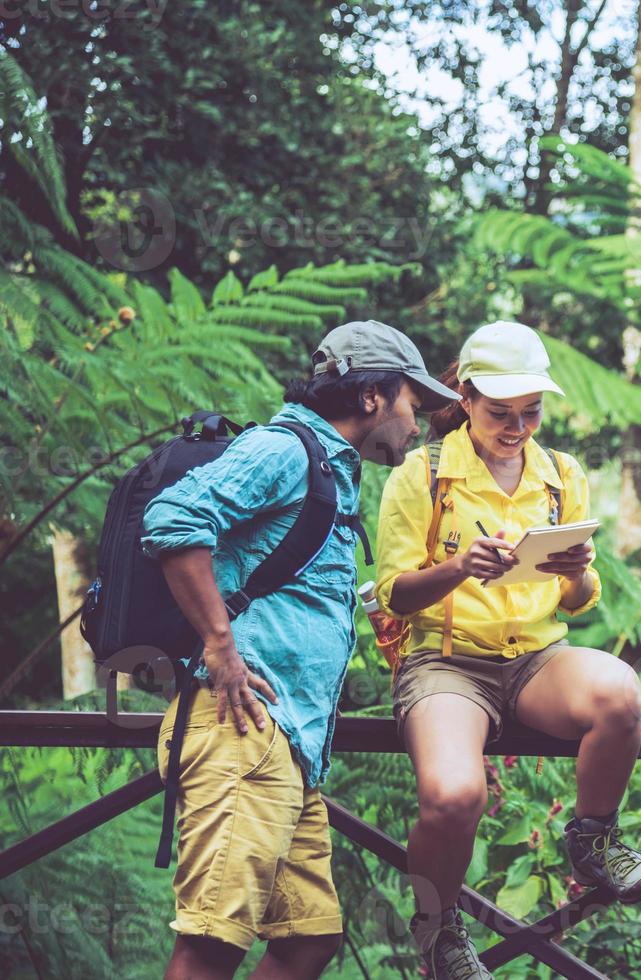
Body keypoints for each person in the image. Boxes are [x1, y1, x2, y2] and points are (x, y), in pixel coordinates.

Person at [144, 321, 457, 980]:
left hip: (289, 747)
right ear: (371, 396)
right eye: (412, 405)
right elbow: (172, 520)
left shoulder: (331, 469)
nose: (417, 425)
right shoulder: (284, 451)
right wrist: (221, 647)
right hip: (240, 733)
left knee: (308, 939)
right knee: (210, 944)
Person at [376, 321, 641, 980]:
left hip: (536, 656)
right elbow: (394, 594)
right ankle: (438, 925)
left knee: (619, 692)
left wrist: (573, 568)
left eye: (530, 412)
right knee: (453, 795)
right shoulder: (423, 476)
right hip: (447, 662)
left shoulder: (562, 475)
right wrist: (459, 568)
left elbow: (577, 601)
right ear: (467, 398)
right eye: (501, 413)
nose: (517, 427)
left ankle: (592, 841)